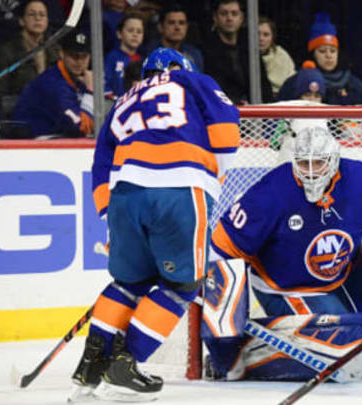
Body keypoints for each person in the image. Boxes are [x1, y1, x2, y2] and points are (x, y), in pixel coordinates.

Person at [68, 47, 241, 402]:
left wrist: (108, 216)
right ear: (181, 67)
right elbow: (227, 134)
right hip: (179, 187)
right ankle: (125, 365)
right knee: (183, 285)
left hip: (123, 196)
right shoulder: (194, 80)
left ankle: (92, 365)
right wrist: (211, 180)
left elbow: (100, 166)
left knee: (129, 282)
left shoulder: (124, 98)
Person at [208, 123, 362, 379]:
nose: (311, 172)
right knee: (347, 356)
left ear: (334, 159)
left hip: (345, 271)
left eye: (319, 163)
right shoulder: (272, 191)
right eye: (304, 164)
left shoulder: (360, 179)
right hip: (286, 286)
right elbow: (223, 247)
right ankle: (244, 356)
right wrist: (225, 335)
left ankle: (354, 330)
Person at [11, 29, 93, 138]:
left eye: (84, 57)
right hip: (32, 143)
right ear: (62, 54)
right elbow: (80, 128)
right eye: (73, 55)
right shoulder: (53, 83)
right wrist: (90, 91)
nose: (79, 62)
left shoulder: (78, 80)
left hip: (55, 139)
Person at [278, 12, 362, 105]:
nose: (328, 55)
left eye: (333, 51)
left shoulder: (353, 84)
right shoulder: (296, 83)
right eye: (322, 51)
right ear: (312, 55)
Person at [203, 0, 273, 104]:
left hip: (254, 112)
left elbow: (263, 86)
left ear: (242, 18)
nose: (229, 18)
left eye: (234, 14)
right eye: (224, 14)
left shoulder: (250, 47)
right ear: (215, 17)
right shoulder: (206, 49)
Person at [0, 0, 59, 101]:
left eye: (42, 15)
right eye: (31, 14)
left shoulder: (55, 51)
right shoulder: (6, 52)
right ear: (22, 20)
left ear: (47, 21)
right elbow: (1, 94)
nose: (38, 18)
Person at [144, 3, 203, 72]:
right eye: (171, 23)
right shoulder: (149, 52)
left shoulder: (194, 54)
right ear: (160, 27)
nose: (177, 27)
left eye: (181, 23)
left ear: (187, 27)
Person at [104, 14, 144, 98]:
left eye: (139, 31)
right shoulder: (111, 58)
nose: (135, 35)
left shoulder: (145, 61)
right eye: (130, 30)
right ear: (119, 34)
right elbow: (105, 86)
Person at [259, 16, 295, 97]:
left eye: (266, 35)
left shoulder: (282, 56)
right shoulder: (243, 56)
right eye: (257, 34)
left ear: (272, 38)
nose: (261, 38)